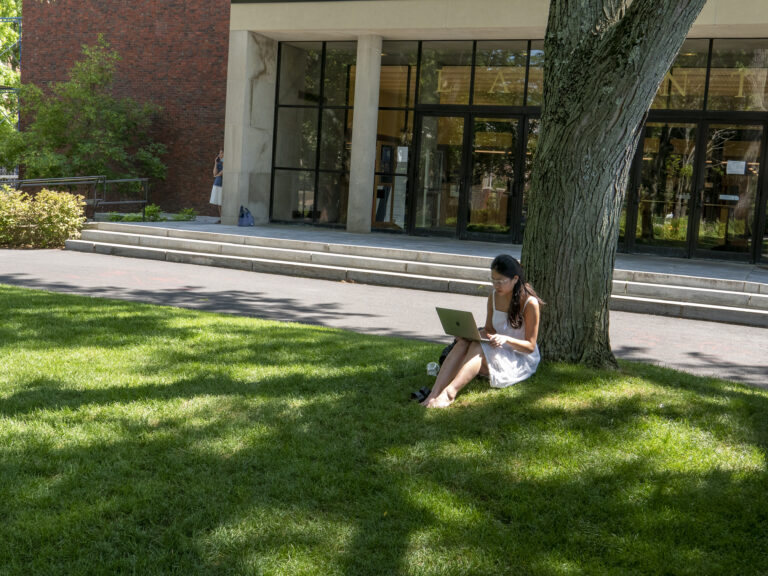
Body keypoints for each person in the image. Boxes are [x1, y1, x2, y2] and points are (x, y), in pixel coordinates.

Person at [421, 254, 542, 408]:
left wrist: (506, 339)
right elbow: (489, 330)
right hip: (497, 349)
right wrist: (470, 334)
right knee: (465, 342)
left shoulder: (530, 303)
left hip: (519, 358)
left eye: (500, 281)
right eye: (493, 280)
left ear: (515, 279)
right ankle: (434, 394)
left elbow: (530, 346)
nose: (496, 285)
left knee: (477, 347)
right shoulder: (493, 296)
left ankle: (449, 394)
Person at [210, 148, 224, 222]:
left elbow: (223, 171)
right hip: (217, 183)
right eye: (219, 153)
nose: (219, 155)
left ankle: (224, 218)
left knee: (222, 202)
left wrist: (217, 175)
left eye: (221, 153)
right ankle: (221, 218)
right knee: (219, 202)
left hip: (223, 184)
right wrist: (215, 163)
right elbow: (214, 173)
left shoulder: (226, 162)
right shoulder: (219, 163)